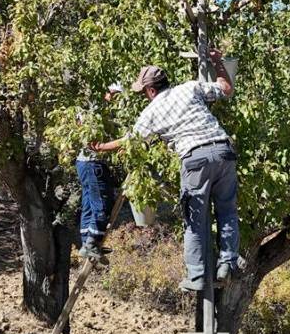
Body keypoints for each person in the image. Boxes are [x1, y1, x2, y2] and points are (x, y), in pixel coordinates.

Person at [91, 50, 239, 291]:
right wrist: (217, 63)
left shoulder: (151, 112)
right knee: (227, 212)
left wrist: (102, 147)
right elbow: (225, 88)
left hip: (194, 158)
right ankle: (227, 265)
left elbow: (132, 140)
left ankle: (197, 276)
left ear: (150, 90)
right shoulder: (190, 88)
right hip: (224, 151)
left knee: (194, 221)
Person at [76, 83, 122, 259]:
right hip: (92, 163)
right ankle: (92, 242)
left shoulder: (89, 109)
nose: (117, 100)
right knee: (102, 204)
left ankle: (87, 242)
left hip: (84, 163)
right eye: (115, 95)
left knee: (88, 204)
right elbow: (96, 145)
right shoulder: (97, 113)